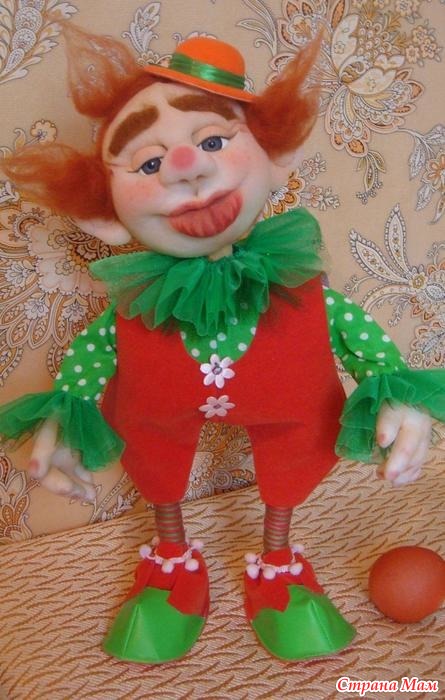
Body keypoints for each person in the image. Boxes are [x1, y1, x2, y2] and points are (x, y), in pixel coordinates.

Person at [1, 23, 443, 663]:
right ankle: (172, 559)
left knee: (302, 440)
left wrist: (394, 393)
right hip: (159, 412)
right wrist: (64, 418)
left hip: (289, 407)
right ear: (104, 216)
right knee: (148, 441)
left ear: (276, 157)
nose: (188, 167)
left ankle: (279, 561)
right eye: (148, 163)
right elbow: (96, 355)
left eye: (212, 140)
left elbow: (349, 330)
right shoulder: (136, 304)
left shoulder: (297, 285)